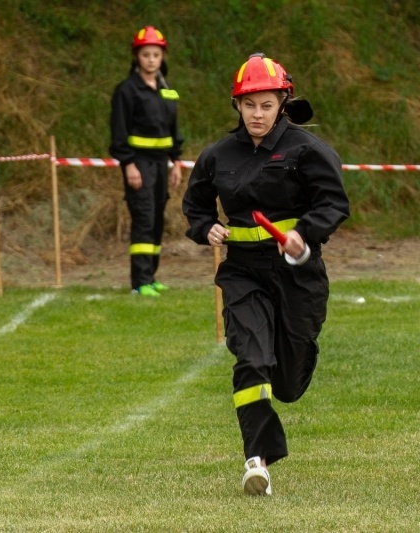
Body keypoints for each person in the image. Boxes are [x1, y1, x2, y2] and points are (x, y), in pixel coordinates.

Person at [182, 53, 350, 495]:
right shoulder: (218, 155)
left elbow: (333, 204)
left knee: (289, 384)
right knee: (252, 359)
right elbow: (195, 205)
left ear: (282, 103)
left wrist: (306, 236)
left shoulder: (308, 151)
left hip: (297, 273)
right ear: (237, 105)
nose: (257, 114)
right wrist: (205, 228)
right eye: (249, 104)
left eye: (266, 105)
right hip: (242, 273)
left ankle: (292, 367)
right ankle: (256, 459)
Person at [109, 25, 184, 297]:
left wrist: (176, 162)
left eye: (155, 54)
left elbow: (173, 130)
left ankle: (151, 276)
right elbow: (119, 133)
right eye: (145, 55)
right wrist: (128, 164)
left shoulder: (166, 90)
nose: (151, 59)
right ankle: (139, 283)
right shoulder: (126, 91)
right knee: (143, 218)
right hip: (138, 164)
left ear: (162, 57)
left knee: (156, 220)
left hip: (161, 165)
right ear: (136, 57)